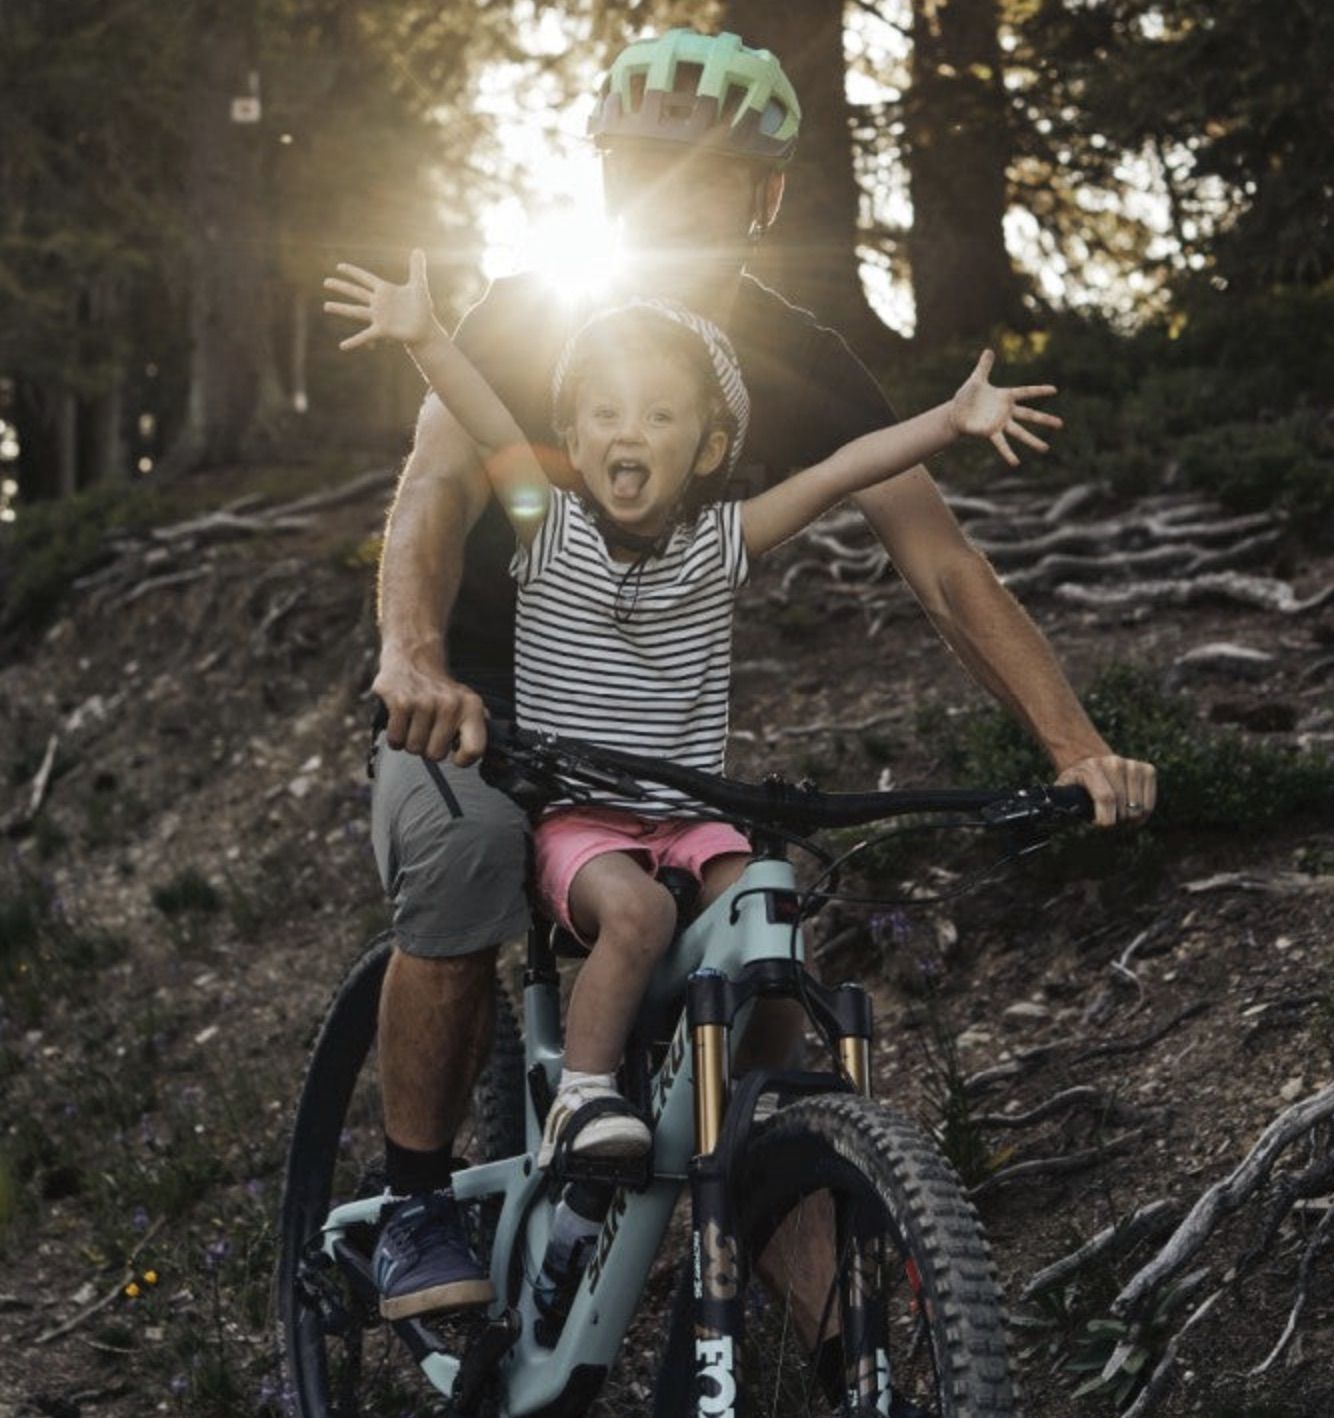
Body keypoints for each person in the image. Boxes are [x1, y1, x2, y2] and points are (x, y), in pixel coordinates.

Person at [350, 27, 1156, 1322]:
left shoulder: (793, 358)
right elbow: (434, 492)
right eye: (638, 172)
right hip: (475, 696)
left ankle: (837, 1317)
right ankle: (411, 1200)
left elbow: (942, 565)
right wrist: (414, 656)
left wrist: (1074, 747)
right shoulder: (524, 316)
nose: (666, 201)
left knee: (754, 946)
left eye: (705, 179)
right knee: (463, 856)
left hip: (640, 726)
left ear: (764, 197)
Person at [327, 250, 1065, 1168]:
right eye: (605, 415)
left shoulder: (722, 542)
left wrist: (950, 421)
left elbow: (841, 470)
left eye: (659, 416)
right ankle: (584, 1095)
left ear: (710, 452)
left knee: (767, 906)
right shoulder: (542, 521)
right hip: (582, 821)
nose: (628, 434)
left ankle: (770, 1104)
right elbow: (482, 421)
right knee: (638, 916)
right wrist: (427, 338)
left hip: (686, 816)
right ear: (571, 438)